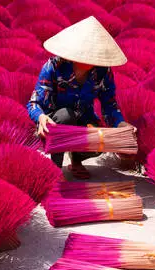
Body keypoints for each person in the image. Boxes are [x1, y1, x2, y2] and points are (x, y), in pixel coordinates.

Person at [27, 16, 135, 179]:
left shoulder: (102, 72)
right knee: (66, 115)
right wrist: (41, 117)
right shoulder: (54, 67)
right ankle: (54, 170)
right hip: (54, 124)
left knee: (99, 139)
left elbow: (109, 105)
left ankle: (77, 159)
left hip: (83, 121)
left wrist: (121, 125)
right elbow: (34, 103)